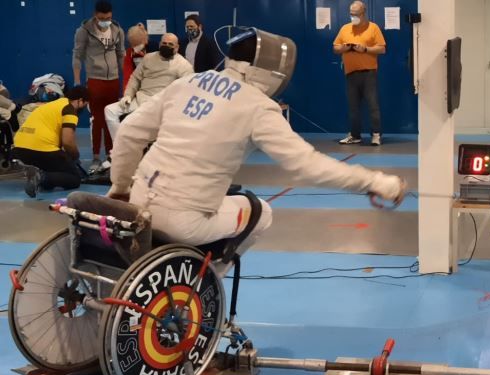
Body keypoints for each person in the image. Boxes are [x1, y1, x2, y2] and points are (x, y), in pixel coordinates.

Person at [106, 28, 406, 275]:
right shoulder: (258, 106)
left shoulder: (190, 81)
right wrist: (376, 182)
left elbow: (129, 131)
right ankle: (204, 286)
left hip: (137, 203)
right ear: (271, 70)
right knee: (261, 212)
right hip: (183, 220)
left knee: (228, 198)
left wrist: (120, 187)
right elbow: (307, 165)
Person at [104, 33, 193, 140]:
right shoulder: (148, 58)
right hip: (140, 99)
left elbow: (187, 90)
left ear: (177, 47)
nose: (166, 46)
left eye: (170, 44)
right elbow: (135, 78)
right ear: (160, 44)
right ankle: (120, 148)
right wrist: (128, 95)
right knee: (110, 110)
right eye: (164, 43)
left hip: (161, 104)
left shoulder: (184, 65)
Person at [72, 0, 125, 172]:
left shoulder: (117, 30)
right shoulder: (84, 31)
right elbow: (77, 55)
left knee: (112, 118)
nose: (105, 21)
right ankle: (95, 157)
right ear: (96, 15)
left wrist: (124, 81)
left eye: (108, 17)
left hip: (114, 80)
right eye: (102, 18)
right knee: (97, 120)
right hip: (95, 79)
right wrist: (77, 81)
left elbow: (121, 55)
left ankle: (111, 154)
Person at [12, 87, 90, 198]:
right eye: (85, 104)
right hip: (41, 149)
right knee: (74, 179)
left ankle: (42, 176)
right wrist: (74, 156)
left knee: (55, 170)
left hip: (19, 148)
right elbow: (68, 142)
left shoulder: (51, 105)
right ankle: (41, 177)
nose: (84, 108)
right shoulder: (69, 110)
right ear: (80, 100)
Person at [333, 1, 386, 146]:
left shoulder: (373, 28)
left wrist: (366, 49)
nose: (353, 17)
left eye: (356, 14)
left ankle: (376, 135)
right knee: (353, 107)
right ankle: (355, 135)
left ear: (363, 13)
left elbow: (382, 49)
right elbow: (335, 48)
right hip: (350, 73)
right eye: (351, 14)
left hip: (368, 73)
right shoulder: (345, 29)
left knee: (372, 104)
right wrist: (344, 48)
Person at [123, 23, 149, 89]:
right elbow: (127, 76)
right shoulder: (128, 53)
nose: (136, 48)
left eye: (139, 44)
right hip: (136, 87)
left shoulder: (154, 49)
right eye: (134, 45)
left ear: (145, 40)